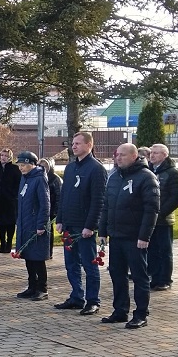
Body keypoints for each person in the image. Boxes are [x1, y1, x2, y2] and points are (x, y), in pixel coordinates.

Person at [98, 143, 159, 329]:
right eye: (117, 155)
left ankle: (141, 314)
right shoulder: (114, 177)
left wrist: (144, 236)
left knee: (139, 277)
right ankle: (120, 310)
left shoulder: (146, 177)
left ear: (134, 156)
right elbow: (106, 206)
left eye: (122, 155)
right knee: (117, 274)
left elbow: (151, 210)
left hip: (135, 238)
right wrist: (102, 231)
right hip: (116, 236)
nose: (118, 158)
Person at [54, 131, 107, 315]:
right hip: (69, 225)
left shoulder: (96, 169)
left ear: (89, 145)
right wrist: (60, 219)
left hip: (84, 226)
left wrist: (90, 225)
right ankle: (77, 296)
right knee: (71, 264)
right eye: (73, 143)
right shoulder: (70, 168)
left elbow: (98, 200)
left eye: (77, 143)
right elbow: (64, 196)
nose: (74, 146)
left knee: (89, 264)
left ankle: (93, 301)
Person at [14, 152, 51, 301]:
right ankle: (32, 286)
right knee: (28, 256)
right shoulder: (24, 178)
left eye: (23, 165)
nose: (21, 168)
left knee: (37, 258)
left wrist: (41, 224)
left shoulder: (39, 179)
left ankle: (42, 288)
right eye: (19, 165)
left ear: (32, 164)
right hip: (25, 222)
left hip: (36, 224)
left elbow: (45, 203)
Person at [147, 144, 178, 291]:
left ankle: (165, 279)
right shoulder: (148, 171)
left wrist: (161, 213)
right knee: (152, 249)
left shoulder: (172, 172)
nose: (152, 155)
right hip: (148, 219)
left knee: (164, 250)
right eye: (151, 153)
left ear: (164, 155)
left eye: (156, 153)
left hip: (163, 220)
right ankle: (154, 278)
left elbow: (177, 195)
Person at [0, 148, 22, 253]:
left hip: (10, 201)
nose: (3, 158)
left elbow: (19, 184)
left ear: (10, 157)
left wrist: (13, 195)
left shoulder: (15, 169)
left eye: (6, 156)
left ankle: (9, 242)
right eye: (2, 155)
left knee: (10, 222)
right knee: (0, 223)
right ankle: (2, 242)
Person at [38, 158, 62, 258]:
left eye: (44, 166)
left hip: (51, 209)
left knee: (48, 230)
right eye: (40, 166)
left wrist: (56, 211)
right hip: (39, 209)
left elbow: (59, 195)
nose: (42, 168)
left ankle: (49, 251)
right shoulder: (37, 178)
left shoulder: (55, 179)